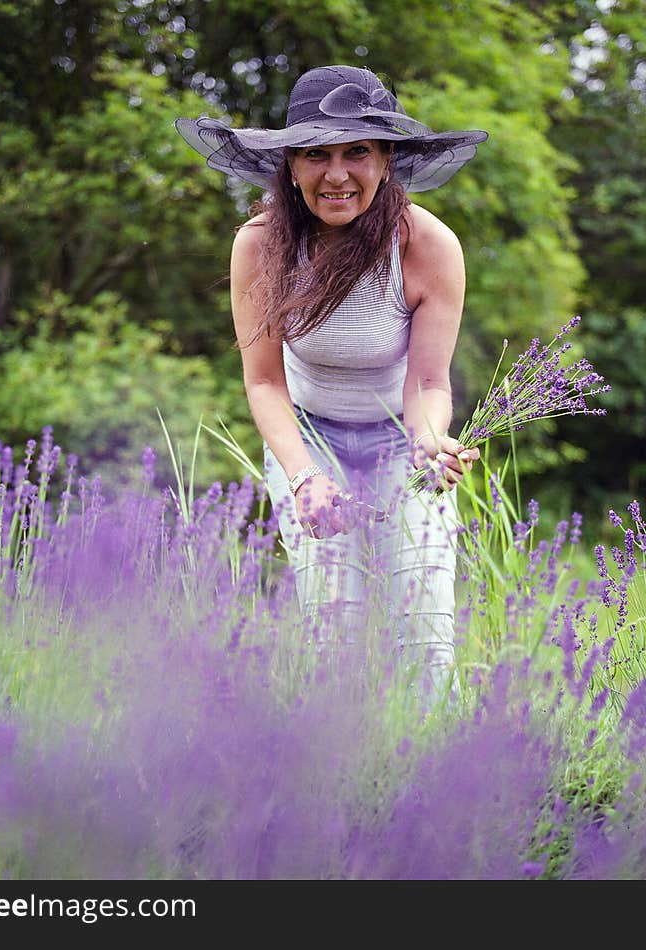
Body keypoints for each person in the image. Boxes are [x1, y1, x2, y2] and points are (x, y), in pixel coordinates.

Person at [176, 64, 487, 705]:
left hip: (401, 442)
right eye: (316, 153)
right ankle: (342, 783)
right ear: (290, 164)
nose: (337, 174)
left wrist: (432, 444)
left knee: (425, 638)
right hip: (307, 441)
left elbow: (429, 380)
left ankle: (436, 779)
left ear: (386, 159)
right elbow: (263, 383)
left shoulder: (428, 245)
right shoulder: (260, 244)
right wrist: (303, 478)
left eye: (357, 152)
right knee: (335, 635)